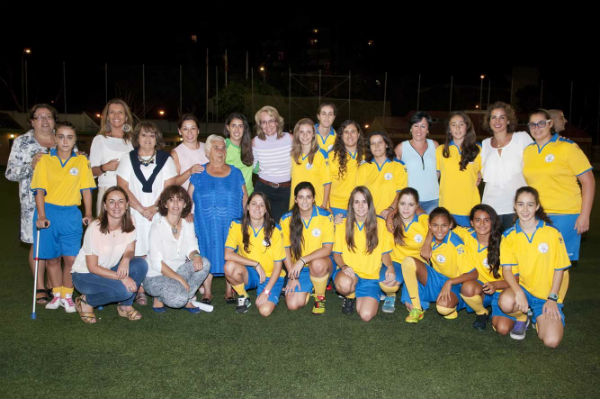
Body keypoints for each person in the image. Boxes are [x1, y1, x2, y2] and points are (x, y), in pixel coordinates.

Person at [31, 121, 95, 312]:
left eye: (70, 137)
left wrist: (89, 213)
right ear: (54, 138)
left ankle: (68, 295)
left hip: (71, 214)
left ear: (75, 139)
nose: (65, 141)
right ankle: (56, 294)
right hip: (49, 212)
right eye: (60, 136)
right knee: (51, 259)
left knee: (71, 259)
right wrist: (41, 215)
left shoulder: (81, 161)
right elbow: (39, 191)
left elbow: (86, 191)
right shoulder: (44, 160)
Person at [498, 186, 570, 347]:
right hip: (524, 288)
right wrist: (518, 292)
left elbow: (560, 268)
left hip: (547, 294)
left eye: (530, 205)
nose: (525, 209)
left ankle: (538, 317)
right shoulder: (509, 236)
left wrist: (552, 298)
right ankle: (522, 317)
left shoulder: (551, 233)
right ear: (515, 206)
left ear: (537, 206)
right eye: (521, 204)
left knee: (551, 341)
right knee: (506, 302)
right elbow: (507, 270)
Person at [117, 121, 177, 305]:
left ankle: (158, 291)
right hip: (136, 214)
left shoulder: (166, 159)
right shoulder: (127, 158)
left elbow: (170, 187)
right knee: (138, 252)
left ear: (157, 138)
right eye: (144, 135)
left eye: (152, 135)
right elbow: (123, 187)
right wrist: (141, 209)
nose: (148, 139)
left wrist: (154, 208)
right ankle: (140, 289)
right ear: (137, 138)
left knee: (159, 251)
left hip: (159, 213)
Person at [522, 109, 594, 262]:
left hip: (565, 215)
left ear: (550, 124)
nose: (537, 128)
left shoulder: (567, 147)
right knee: (539, 263)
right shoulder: (528, 151)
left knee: (559, 265)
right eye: (532, 125)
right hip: (537, 216)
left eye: (541, 123)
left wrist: (585, 215)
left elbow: (588, 181)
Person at [71, 186, 148, 323]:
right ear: (105, 206)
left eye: (121, 201)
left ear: (127, 204)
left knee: (140, 264)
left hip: (108, 269)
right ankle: (86, 301)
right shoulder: (95, 228)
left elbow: (130, 250)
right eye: (111, 202)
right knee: (124, 290)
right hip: (85, 275)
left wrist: (125, 259)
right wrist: (122, 278)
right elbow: (93, 267)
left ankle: (125, 306)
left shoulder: (130, 222)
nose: (116, 206)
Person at [5, 103, 57, 304]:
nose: (45, 120)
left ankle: (56, 286)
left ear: (54, 120)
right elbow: (10, 173)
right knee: (39, 245)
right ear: (32, 121)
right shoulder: (22, 142)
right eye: (40, 117)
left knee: (57, 244)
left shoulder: (63, 138)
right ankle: (41, 287)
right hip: (32, 203)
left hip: (61, 200)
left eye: (49, 116)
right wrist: (30, 165)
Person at [188, 135, 247, 304]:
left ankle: (230, 291)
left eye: (223, 148)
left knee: (230, 253)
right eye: (216, 147)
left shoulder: (235, 172)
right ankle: (207, 292)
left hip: (231, 222)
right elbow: (187, 197)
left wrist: (245, 220)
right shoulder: (199, 172)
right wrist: (188, 213)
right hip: (205, 222)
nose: (220, 151)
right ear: (207, 151)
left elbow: (245, 198)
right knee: (206, 251)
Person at [332, 186, 399, 321]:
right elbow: (337, 254)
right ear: (351, 205)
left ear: (370, 204)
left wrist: (390, 267)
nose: (360, 206)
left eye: (364, 201)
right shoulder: (342, 224)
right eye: (356, 202)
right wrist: (344, 267)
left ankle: (367, 294)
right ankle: (350, 296)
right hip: (351, 274)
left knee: (366, 315)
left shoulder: (380, 224)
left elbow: (385, 253)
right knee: (344, 284)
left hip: (371, 277)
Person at [400, 207, 475, 323]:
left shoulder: (456, 244)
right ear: (429, 226)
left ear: (450, 225)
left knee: (443, 308)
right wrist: (427, 241)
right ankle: (417, 308)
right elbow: (422, 213)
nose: (439, 230)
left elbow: (473, 273)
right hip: (435, 278)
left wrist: (450, 282)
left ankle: (452, 307)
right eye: (435, 225)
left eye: (444, 226)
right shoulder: (431, 236)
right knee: (408, 262)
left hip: (454, 283)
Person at [144, 185, 211, 313]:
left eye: (180, 200)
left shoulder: (187, 223)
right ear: (165, 204)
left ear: (185, 204)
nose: (176, 203)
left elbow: (192, 247)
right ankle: (162, 296)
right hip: (155, 277)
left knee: (205, 263)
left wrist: (196, 256)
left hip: (178, 272)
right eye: (171, 199)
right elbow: (157, 264)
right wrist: (181, 280)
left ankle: (187, 296)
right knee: (178, 300)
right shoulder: (157, 226)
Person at [224, 192, 286, 316]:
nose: (257, 208)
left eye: (261, 205)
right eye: (254, 204)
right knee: (229, 266)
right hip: (250, 272)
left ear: (266, 210)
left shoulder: (275, 230)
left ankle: (274, 290)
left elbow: (278, 266)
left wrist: (266, 291)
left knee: (264, 311)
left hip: (270, 275)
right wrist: (256, 264)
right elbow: (228, 255)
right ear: (247, 207)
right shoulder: (236, 225)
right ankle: (243, 296)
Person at [455, 204, 512, 332]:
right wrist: (427, 241)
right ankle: (482, 312)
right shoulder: (467, 235)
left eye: (486, 220)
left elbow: (516, 279)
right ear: (471, 223)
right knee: (467, 288)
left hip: (503, 289)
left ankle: (519, 317)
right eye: (477, 220)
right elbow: (440, 224)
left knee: (502, 329)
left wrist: (496, 285)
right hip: (480, 288)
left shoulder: (504, 243)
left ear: (493, 222)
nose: (482, 224)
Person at [280, 182, 334, 314]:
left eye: (308, 197)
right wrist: (292, 276)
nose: (305, 201)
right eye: (301, 197)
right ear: (296, 199)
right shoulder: (286, 219)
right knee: (292, 305)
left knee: (317, 263)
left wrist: (303, 260)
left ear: (314, 199)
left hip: (322, 264)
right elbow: (285, 249)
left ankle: (320, 297)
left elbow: (327, 249)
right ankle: (313, 287)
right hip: (299, 269)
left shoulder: (326, 217)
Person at [481, 102, 533, 231]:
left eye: (502, 117)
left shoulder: (522, 138)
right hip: (491, 207)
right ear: (489, 121)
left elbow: (540, 154)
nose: (497, 121)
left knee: (517, 249)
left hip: (517, 207)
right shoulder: (485, 144)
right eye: (493, 117)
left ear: (508, 120)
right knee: (494, 249)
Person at [89, 98, 135, 215]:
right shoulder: (100, 140)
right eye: (112, 112)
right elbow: (90, 172)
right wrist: (105, 167)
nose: (116, 115)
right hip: (107, 191)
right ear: (107, 117)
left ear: (126, 117)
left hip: (130, 193)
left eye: (120, 112)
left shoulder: (132, 141)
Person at [388, 188, 428, 314]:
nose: (406, 208)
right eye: (402, 204)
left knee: (412, 306)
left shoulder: (423, 221)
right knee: (387, 282)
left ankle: (414, 296)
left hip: (416, 265)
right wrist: (389, 215)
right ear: (397, 204)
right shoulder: (391, 222)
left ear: (417, 206)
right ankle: (390, 295)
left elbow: (434, 228)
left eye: (411, 204)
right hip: (396, 262)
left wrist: (427, 243)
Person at [437, 112, 482, 227]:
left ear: (467, 127)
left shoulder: (478, 150)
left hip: (470, 208)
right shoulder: (441, 150)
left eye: (461, 124)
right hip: (447, 209)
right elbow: (434, 177)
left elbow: (484, 172)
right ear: (449, 129)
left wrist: (480, 174)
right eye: (453, 124)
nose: (457, 128)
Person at [252, 105, 292, 221]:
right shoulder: (255, 142)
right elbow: (254, 166)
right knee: (261, 225)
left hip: (285, 190)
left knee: (281, 227)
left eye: (271, 121)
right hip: (264, 189)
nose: (268, 125)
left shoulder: (289, 139)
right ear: (260, 125)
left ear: (277, 122)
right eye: (264, 122)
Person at [394, 112, 439, 213]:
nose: (419, 130)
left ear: (428, 129)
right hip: (410, 201)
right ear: (411, 128)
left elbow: (439, 170)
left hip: (433, 199)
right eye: (416, 126)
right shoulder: (401, 148)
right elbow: (394, 174)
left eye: (423, 126)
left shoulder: (435, 146)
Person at [358, 131, 407, 219]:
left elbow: (401, 192)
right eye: (373, 143)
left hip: (391, 216)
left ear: (386, 145)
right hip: (369, 217)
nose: (376, 146)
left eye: (380, 142)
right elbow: (359, 194)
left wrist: (391, 209)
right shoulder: (363, 167)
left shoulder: (398, 166)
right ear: (370, 147)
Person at [289, 118, 331, 209]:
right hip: (296, 205)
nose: (305, 135)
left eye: (308, 132)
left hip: (317, 204)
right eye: (301, 132)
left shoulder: (321, 154)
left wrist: (324, 204)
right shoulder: (293, 155)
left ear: (313, 135)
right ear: (297, 134)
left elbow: (327, 183)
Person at [328, 120, 366, 219]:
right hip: (336, 207)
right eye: (346, 132)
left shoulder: (367, 156)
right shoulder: (331, 157)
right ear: (341, 135)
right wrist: (327, 207)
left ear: (358, 134)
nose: (350, 135)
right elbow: (324, 184)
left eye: (353, 131)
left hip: (360, 208)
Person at [171, 114, 208, 190]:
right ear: (180, 131)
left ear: (198, 130)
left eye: (193, 128)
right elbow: (174, 183)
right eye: (185, 129)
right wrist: (189, 172)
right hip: (187, 199)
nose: (189, 132)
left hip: (207, 197)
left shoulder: (207, 147)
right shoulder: (176, 153)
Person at [224, 112, 256, 194]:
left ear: (244, 128)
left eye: (240, 126)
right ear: (228, 127)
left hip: (248, 194)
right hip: (230, 195)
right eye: (233, 125)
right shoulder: (223, 146)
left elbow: (256, 169)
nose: (237, 129)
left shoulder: (250, 147)